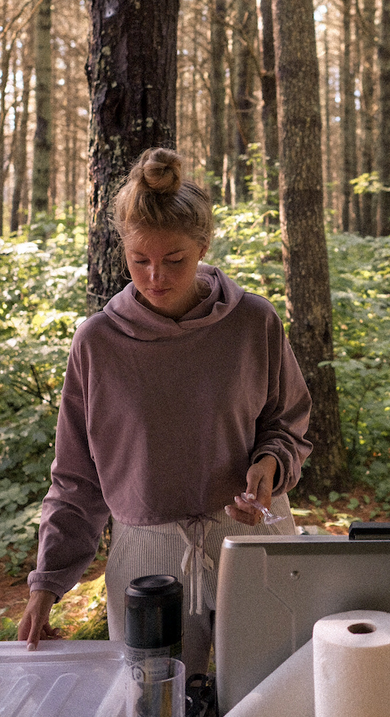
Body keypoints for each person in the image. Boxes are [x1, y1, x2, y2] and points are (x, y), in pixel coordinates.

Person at [18, 147, 312, 674]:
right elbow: (76, 476)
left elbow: (286, 423)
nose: (155, 276)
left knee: (272, 692)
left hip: (250, 536)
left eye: (174, 259)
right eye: (139, 261)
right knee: (152, 701)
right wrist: (47, 582)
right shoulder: (97, 343)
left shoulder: (253, 322)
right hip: (146, 554)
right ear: (123, 251)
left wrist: (270, 467)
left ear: (203, 246)